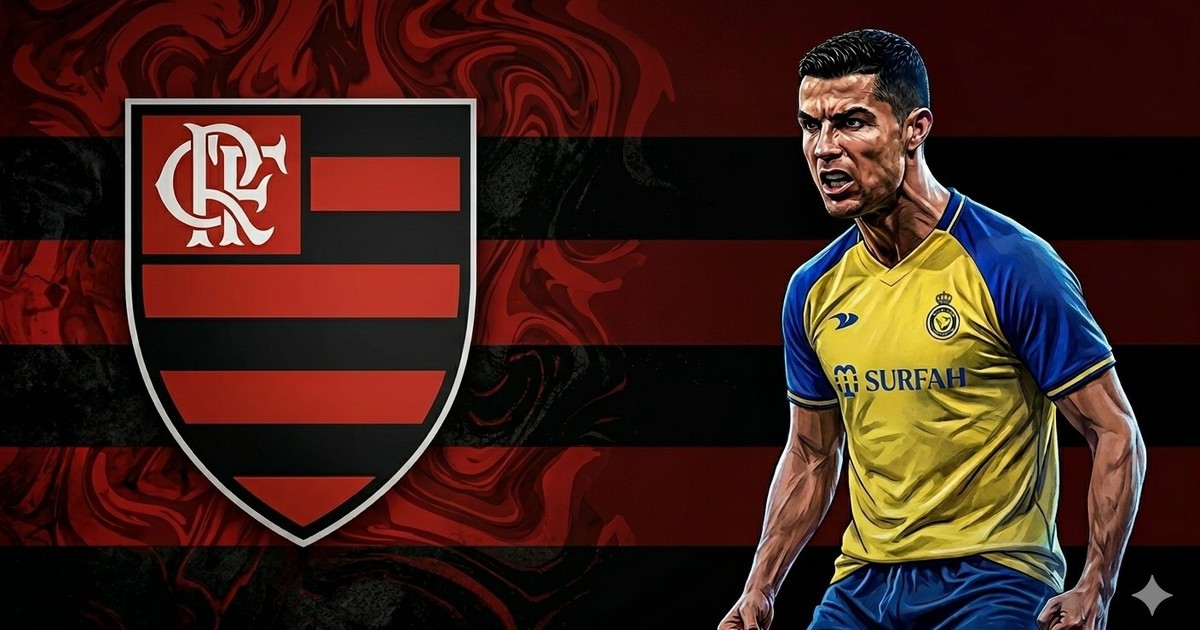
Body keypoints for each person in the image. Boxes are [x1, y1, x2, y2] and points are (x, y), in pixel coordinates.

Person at [718, 28, 1146, 630]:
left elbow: (1114, 430)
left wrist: (1096, 586)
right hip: (862, 585)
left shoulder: (1011, 264)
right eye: (810, 126)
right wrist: (759, 588)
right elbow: (812, 452)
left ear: (914, 129)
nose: (824, 148)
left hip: (995, 580)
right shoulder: (813, 289)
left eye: (851, 123)